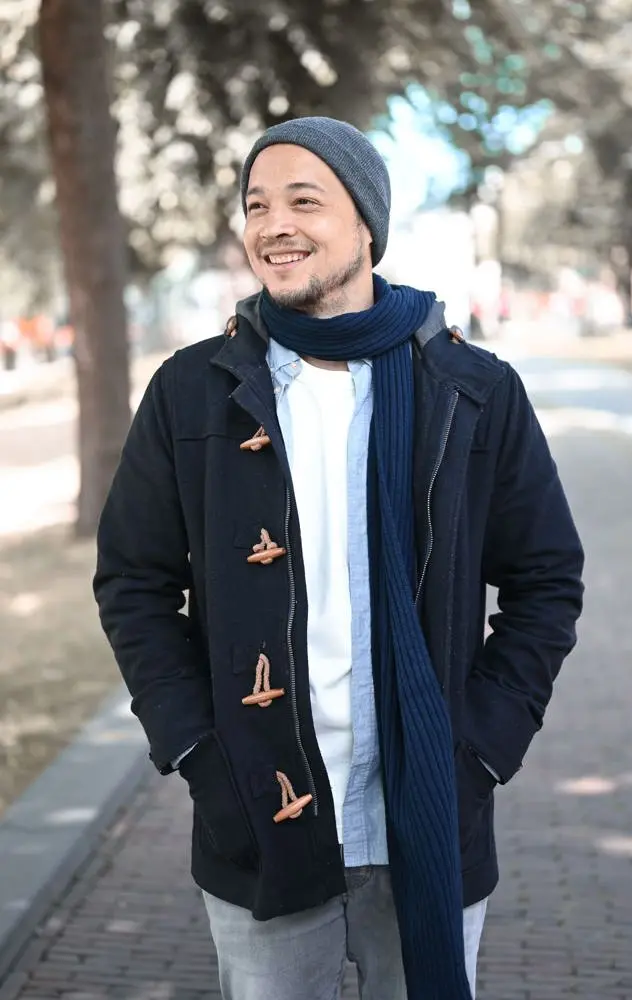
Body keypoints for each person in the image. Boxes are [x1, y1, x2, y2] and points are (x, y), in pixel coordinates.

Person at [94, 117, 584, 1000]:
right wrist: (199, 751)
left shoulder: (473, 390)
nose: (273, 224)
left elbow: (545, 581)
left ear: (366, 223)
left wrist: (481, 749)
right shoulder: (191, 392)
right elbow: (133, 583)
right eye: (256, 205)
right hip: (257, 821)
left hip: (428, 813)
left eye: (303, 201)